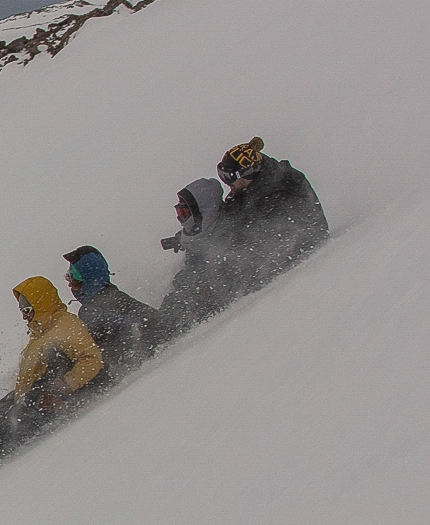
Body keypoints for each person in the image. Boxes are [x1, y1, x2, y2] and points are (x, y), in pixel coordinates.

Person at [0, 276, 105, 481]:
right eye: (22, 310)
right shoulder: (41, 331)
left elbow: (92, 359)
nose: (24, 316)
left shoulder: (67, 326)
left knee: (4, 429)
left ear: (41, 305)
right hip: (32, 394)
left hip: (48, 402)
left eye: (27, 310)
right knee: (6, 408)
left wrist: (66, 385)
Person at [212, 137, 328, 298]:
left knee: (216, 282)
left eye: (229, 177)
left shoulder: (279, 191)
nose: (226, 183)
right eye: (222, 175)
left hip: (297, 264)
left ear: (247, 172)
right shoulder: (252, 186)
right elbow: (233, 217)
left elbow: (260, 240)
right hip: (267, 261)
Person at [61, 245, 165, 378]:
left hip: (133, 373)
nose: (70, 286)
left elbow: (90, 356)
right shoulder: (116, 297)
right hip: (147, 360)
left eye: (73, 281)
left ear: (87, 281)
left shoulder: (91, 310)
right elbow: (153, 319)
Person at [157, 177, 228, 330]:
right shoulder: (198, 232)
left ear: (202, 211)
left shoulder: (225, 233)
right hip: (193, 289)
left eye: (184, 212)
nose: (180, 218)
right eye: (178, 211)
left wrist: (198, 285)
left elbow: (224, 271)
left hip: (217, 297)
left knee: (186, 299)